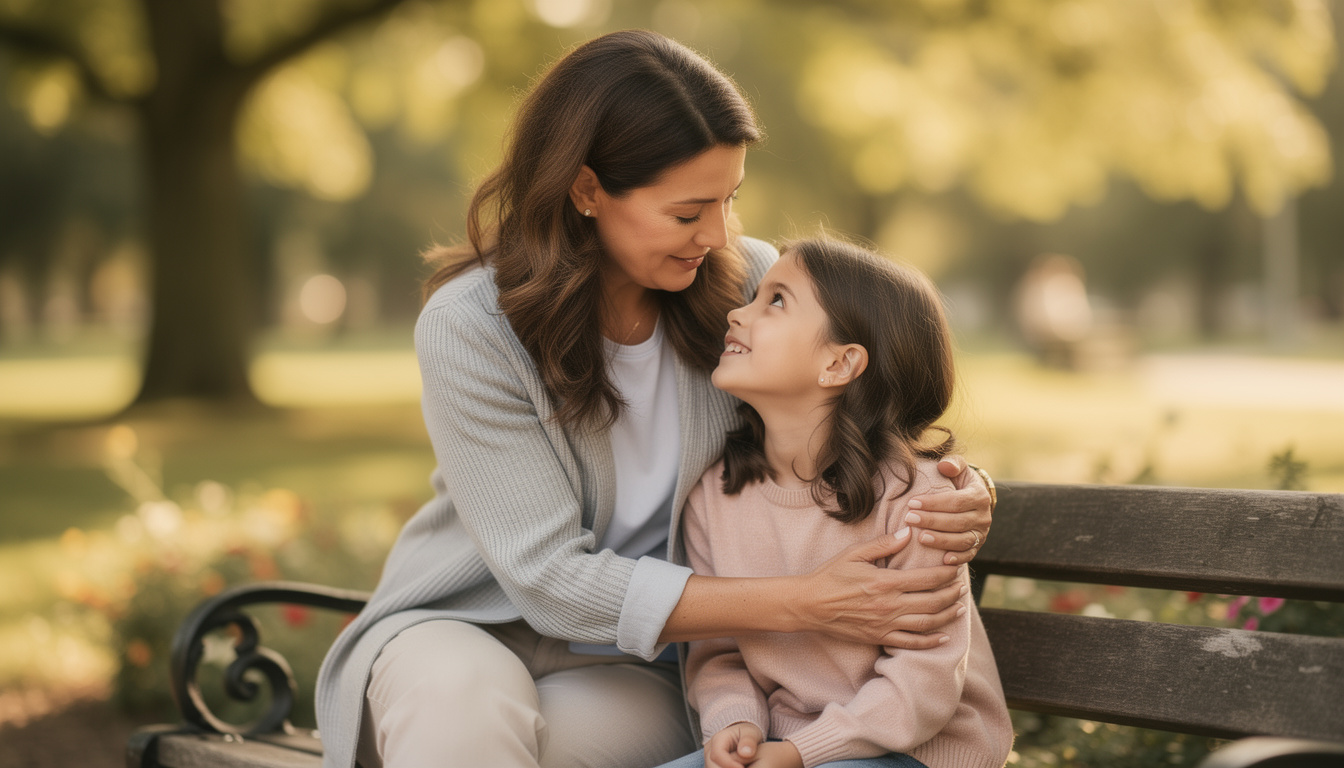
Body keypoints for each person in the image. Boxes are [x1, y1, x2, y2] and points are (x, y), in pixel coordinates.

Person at [314, 30, 995, 768]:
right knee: (460, 712)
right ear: (586, 191)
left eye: (729, 200)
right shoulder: (472, 325)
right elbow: (547, 578)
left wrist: (961, 488)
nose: (718, 233)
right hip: (468, 625)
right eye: (687, 212)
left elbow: (858, 400)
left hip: (635, 661)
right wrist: (804, 600)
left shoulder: (745, 286)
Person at [654, 237, 1013, 768]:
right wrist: (736, 720)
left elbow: (924, 682)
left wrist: (802, 751)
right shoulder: (714, 495)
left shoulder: (922, 503)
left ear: (840, 363)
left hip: (913, 751)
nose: (737, 313)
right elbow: (720, 650)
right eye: (754, 297)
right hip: (787, 747)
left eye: (776, 301)